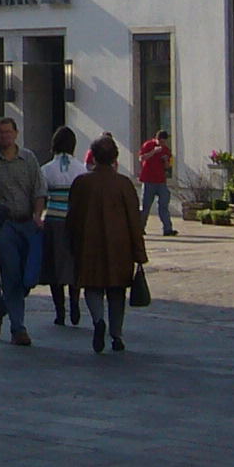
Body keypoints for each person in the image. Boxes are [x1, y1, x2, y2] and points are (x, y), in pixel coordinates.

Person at [67, 133, 146, 353]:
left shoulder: (82, 183)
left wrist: (72, 244)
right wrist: (139, 252)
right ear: (115, 158)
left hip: (89, 243)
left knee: (92, 286)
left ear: (93, 157)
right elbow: (134, 220)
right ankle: (116, 334)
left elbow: (72, 217)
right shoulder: (124, 184)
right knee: (117, 291)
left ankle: (98, 320)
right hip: (119, 246)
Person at [0, 116, 45, 347]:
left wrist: (38, 215)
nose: (4, 136)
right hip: (4, 226)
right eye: (0, 132)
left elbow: (39, 190)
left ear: (16, 134)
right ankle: (18, 329)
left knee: (29, 278)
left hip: (28, 224)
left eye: (8, 132)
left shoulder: (29, 159)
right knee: (11, 275)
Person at [39, 126, 82, 328]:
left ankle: (60, 311)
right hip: (75, 220)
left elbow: (40, 197)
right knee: (74, 262)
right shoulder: (81, 168)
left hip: (54, 220)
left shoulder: (46, 169)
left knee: (54, 265)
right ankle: (75, 303)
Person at [137, 130, 174, 236]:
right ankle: (140, 228)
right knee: (146, 206)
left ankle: (168, 229)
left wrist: (166, 161)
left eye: (164, 142)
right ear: (156, 139)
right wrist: (153, 152)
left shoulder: (166, 150)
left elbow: (168, 166)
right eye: (160, 142)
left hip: (161, 181)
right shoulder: (148, 145)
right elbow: (141, 158)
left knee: (164, 205)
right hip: (148, 180)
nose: (162, 144)